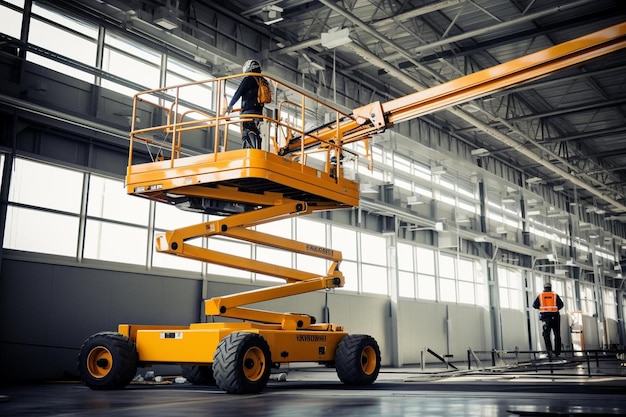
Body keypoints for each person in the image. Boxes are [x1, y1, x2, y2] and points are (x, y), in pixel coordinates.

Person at [226, 59, 265, 149]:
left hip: (248, 111)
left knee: (246, 130)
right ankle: (258, 145)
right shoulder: (262, 81)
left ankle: (249, 147)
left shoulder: (248, 79)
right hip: (259, 112)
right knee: (255, 129)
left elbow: (238, 93)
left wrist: (230, 105)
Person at [532, 282, 564, 357]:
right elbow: (561, 305)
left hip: (546, 318)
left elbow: (534, 305)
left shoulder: (540, 296)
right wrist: (555, 309)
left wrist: (542, 308)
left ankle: (549, 351)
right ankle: (557, 352)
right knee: (557, 334)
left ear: (544, 288)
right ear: (550, 288)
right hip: (555, 317)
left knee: (546, 335)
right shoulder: (555, 295)